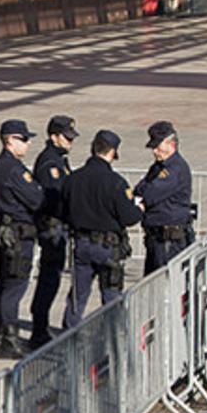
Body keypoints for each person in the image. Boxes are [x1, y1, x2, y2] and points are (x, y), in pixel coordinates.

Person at [61, 130, 143, 329]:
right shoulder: (116, 183)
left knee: (77, 296)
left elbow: (63, 210)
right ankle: (113, 337)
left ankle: (67, 337)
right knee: (111, 296)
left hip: (81, 244)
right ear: (112, 152)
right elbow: (129, 217)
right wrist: (139, 209)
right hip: (108, 246)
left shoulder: (74, 179)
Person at [0, 119, 45, 359]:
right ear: (10, 139)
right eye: (23, 139)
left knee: (5, 283)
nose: (28, 143)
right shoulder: (12, 168)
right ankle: (8, 339)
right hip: (19, 234)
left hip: (11, 231)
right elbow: (36, 197)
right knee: (14, 285)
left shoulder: (3, 165)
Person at [29, 115, 78, 348]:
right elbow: (54, 196)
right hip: (52, 229)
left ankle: (41, 326)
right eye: (66, 137)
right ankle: (39, 329)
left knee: (53, 279)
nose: (70, 141)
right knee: (48, 280)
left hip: (59, 227)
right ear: (53, 137)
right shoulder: (50, 162)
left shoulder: (59, 159)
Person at [134, 120, 194, 274]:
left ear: (170, 144)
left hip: (169, 240)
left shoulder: (175, 168)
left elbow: (150, 193)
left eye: (157, 146)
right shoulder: (158, 167)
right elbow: (139, 189)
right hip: (156, 239)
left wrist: (144, 197)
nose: (155, 151)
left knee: (165, 285)